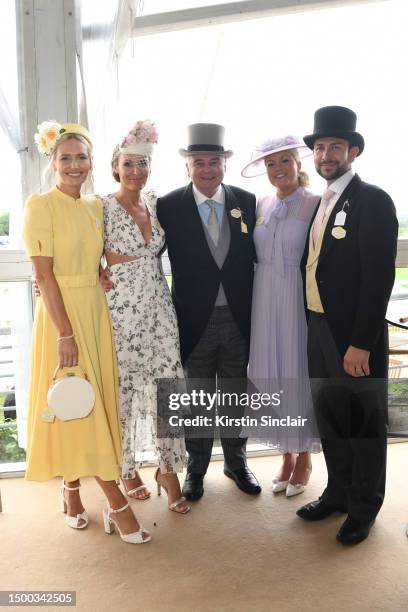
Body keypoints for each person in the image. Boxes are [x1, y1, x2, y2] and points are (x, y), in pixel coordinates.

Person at [22, 121, 150, 544]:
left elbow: (95, 255)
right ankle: (116, 504)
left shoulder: (95, 206)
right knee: (75, 403)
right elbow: (45, 276)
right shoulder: (40, 206)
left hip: (95, 312)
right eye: (65, 158)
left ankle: (72, 488)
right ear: (53, 163)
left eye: (81, 157)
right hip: (63, 317)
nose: (74, 165)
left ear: (92, 162)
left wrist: (100, 270)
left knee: (89, 403)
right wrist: (64, 333)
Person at [296, 106, 398, 544]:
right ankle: (337, 492)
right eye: (319, 147)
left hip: (353, 337)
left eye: (335, 146)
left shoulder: (372, 199)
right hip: (318, 329)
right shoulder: (322, 201)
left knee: (362, 424)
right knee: (332, 417)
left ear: (353, 150)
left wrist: (360, 344)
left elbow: (379, 277)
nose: (325, 154)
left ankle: (364, 507)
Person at [157, 123, 261, 501]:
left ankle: (237, 462)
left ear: (224, 165)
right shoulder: (167, 206)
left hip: (238, 319)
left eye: (213, 161)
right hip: (192, 320)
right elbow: (141, 250)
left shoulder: (246, 201)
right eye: (198, 162)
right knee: (197, 400)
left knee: (235, 396)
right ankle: (196, 470)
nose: (206, 169)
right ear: (187, 166)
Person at [102, 121, 189, 514]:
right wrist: (91, 271)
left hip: (159, 306)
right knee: (124, 390)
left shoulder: (155, 203)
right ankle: (127, 468)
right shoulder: (99, 206)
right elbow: (77, 250)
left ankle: (167, 469)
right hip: (120, 311)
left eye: (142, 163)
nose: (136, 170)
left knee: (166, 387)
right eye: (129, 163)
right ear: (115, 166)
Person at [241, 135, 321, 497]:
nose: (278, 169)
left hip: (294, 297)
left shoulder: (315, 204)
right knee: (268, 372)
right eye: (271, 164)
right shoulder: (260, 204)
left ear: (298, 164)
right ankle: (286, 454)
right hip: (262, 296)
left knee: (294, 372)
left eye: (284, 161)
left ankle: (303, 455)